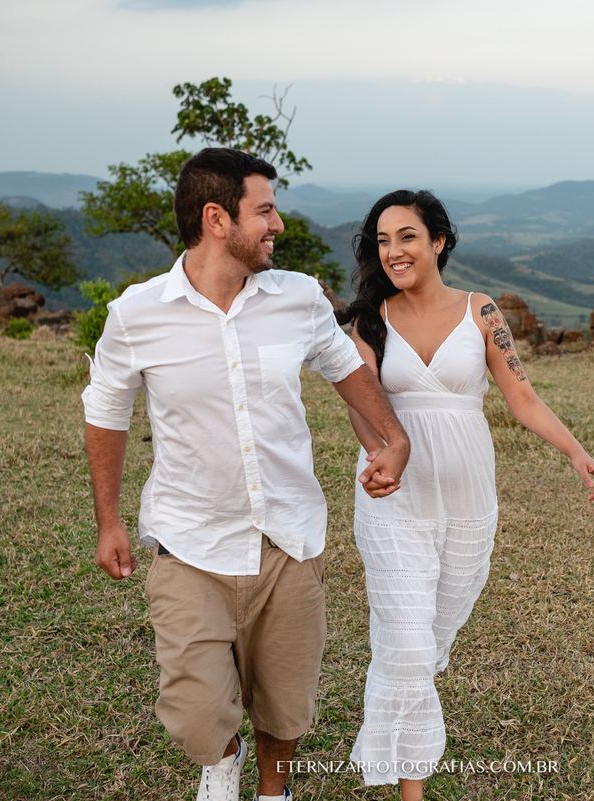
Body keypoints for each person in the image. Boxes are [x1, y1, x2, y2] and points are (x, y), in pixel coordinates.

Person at [82, 148, 410, 801]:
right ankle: (222, 759)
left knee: (285, 706)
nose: (277, 224)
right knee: (196, 709)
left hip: (288, 539)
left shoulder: (298, 298)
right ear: (216, 219)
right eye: (264, 210)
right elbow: (106, 411)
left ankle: (272, 792)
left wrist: (393, 439)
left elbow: (345, 367)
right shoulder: (136, 314)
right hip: (190, 545)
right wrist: (109, 520)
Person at [337, 190, 594, 799]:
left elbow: (523, 397)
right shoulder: (370, 318)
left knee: (429, 643)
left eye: (407, 236)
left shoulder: (480, 310)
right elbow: (360, 402)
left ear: (438, 242)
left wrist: (575, 451)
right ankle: (411, 791)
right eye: (382, 241)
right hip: (393, 499)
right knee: (408, 648)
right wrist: (382, 453)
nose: (393, 251)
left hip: (466, 501)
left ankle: (406, 746)